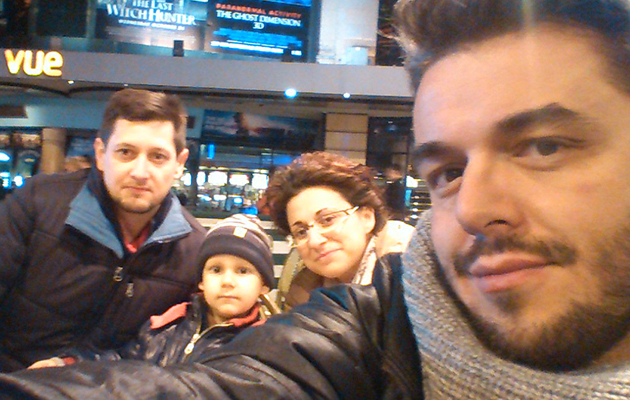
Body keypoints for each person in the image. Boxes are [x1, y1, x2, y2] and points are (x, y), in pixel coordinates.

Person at [4, 0, 630, 398]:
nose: (474, 207)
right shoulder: (377, 322)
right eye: (447, 172)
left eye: (544, 146)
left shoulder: (194, 242)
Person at [0, 88, 206, 372]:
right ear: (100, 154)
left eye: (158, 156)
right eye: (125, 152)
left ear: (179, 164)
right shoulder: (39, 203)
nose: (140, 172)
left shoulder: (194, 250)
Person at [28, 214, 275, 368]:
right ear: (201, 280)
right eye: (216, 269)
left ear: (264, 284)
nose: (227, 281)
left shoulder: (262, 346)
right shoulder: (168, 324)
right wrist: (69, 364)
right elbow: (122, 363)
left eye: (243, 271)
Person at [265, 151, 414, 310]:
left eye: (328, 220)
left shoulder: (411, 275)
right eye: (301, 232)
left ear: (367, 217)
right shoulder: (304, 291)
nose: (314, 241)